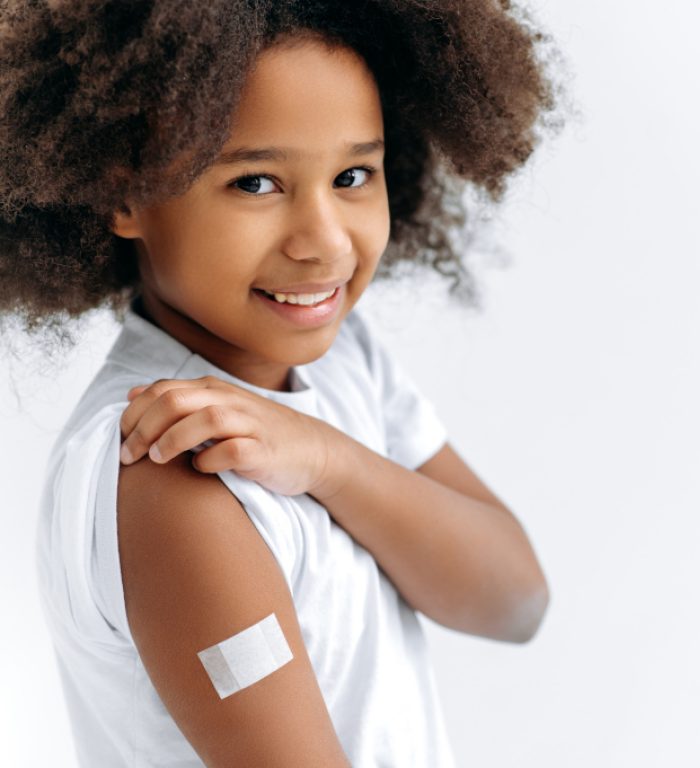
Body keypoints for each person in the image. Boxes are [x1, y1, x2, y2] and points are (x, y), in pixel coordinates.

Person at [0, 1, 558, 765]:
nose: (325, 241)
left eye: (354, 175)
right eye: (257, 183)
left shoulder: (341, 362)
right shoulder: (170, 464)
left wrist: (329, 459)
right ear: (123, 193)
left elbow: (516, 599)